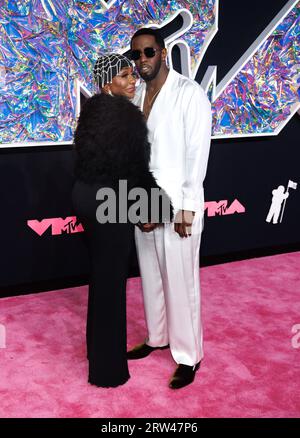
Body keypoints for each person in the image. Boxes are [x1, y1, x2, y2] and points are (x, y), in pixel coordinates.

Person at [72, 53, 172, 388]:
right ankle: (107, 371)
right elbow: (134, 172)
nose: (133, 81)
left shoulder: (92, 110)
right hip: (108, 203)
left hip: (85, 198)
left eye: (133, 74)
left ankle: (97, 354)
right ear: (107, 82)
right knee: (111, 284)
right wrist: (156, 209)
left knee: (101, 280)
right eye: (125, 75)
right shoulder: (127, 117)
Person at [127, 28, 212, 389]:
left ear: (163, 52)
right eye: (136, 56)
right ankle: (157, 336)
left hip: (178, 204)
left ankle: (189, 355)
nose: (142, 60)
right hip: (144, 202)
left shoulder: (189, 94)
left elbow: (197, 156)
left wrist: (188, 208)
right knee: (151, 277)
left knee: (181, 282)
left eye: (148, 52)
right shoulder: (137, 96)